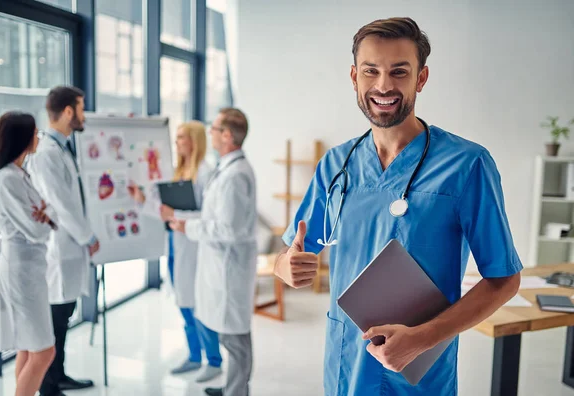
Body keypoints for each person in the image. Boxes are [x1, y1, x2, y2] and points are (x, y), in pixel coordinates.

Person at [273, 17, 522, 396]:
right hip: (347, 364)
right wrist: (286, 267)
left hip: (418, 372)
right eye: (371, 71)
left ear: (421, 78)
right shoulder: (336, 164)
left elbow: (504, 279)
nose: (384, 85)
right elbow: (292, 253)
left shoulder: (467, 165)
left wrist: (422, 338)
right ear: (354, 77)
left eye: (399, 72)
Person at [168, 108, 257, 396]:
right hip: (220, 265)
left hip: (229, 268)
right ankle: (232, 386)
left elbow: (229, 230)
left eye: (215, 128)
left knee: (236, 339)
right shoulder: (228, 168)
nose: (211, 133)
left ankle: (237, 391)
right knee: (229, 335)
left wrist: (188, 227)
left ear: (227, 135)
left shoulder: (235, 176)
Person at [128, 121, 223, 382]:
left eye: (182, 137)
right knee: (184, 304)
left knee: (198, 305)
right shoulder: (180, 171)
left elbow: (208, 215)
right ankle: (194, 356)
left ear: (194, 140)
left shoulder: (205, 173)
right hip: (175, 244)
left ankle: (213, 360)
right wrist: (142, 200)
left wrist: (176, 214)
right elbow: (165, 213)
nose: (177, 141)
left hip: (195, 246)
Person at [27, 86, 98, 396]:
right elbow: (62, 203)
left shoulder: (62, 147)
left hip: (69, 246)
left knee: (63, 317)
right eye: (81, 109)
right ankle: (49, 386)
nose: (83, 115)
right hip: (59, 247)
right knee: (55, 321)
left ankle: (59, 376)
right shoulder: (46, 153)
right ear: (69, 112)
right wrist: (88, 236)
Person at [0, 112, 57, 396]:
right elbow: (39, 230)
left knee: (28, 346)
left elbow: (49, 216)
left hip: (30, 268)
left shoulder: (21, 173)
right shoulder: (6, 180)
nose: (38, 137)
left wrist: (45, 217)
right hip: (20, 271)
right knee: (44, 351)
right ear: (21, 138)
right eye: (35, 132)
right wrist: (45, 218)